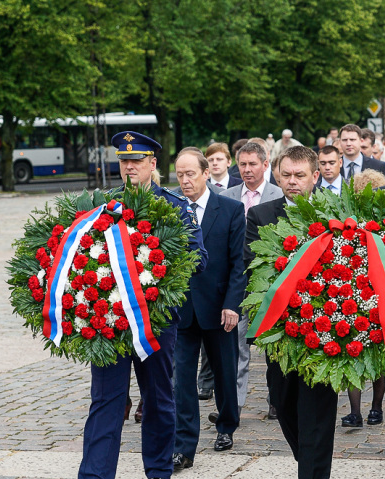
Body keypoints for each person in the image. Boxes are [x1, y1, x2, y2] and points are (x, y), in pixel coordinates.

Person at [79, 131, 207, 479]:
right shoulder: (102, 207)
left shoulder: (175, 207)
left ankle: (158, 471)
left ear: (153, 164)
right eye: (124, 161)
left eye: (137, 161)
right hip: (107, 322)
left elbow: (201, 259)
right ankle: (95, 475)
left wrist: (160, 270)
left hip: (157, 322)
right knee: (106, 401)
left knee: (158, 400)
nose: (130, 166)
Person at [246, 146, 337, 479]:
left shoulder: (334, 215)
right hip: (281, 333)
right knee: (283, 405)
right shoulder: (262, 215)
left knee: (318, 412)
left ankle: (313, 471)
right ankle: (309, 461)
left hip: (325, 335)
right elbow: (252, 270)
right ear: (277, 176)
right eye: (286, 175)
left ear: (315, 176)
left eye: (300, 175)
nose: (293, 182)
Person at [172, 148, 245, 471]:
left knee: (225, 374)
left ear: (206, 174)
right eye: (180, 174)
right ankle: (184, 446)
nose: (185, 180)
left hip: (218, 308)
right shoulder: (169, 209)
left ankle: (227, 424)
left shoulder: (230, 208)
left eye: (191, 174)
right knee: (181, 380)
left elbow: (238, 263)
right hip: (181, 311)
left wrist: (232, 304)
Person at [220, 141, 283, 420]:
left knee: (272, 346)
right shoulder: (229, 195)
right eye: (242, 165)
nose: (246, 170)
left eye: (252, 164)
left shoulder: (279, 195)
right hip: (236, 281)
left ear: (265, 164)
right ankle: (235, 405)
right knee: (237, 345)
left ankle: (276, 398)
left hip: (269, 283)